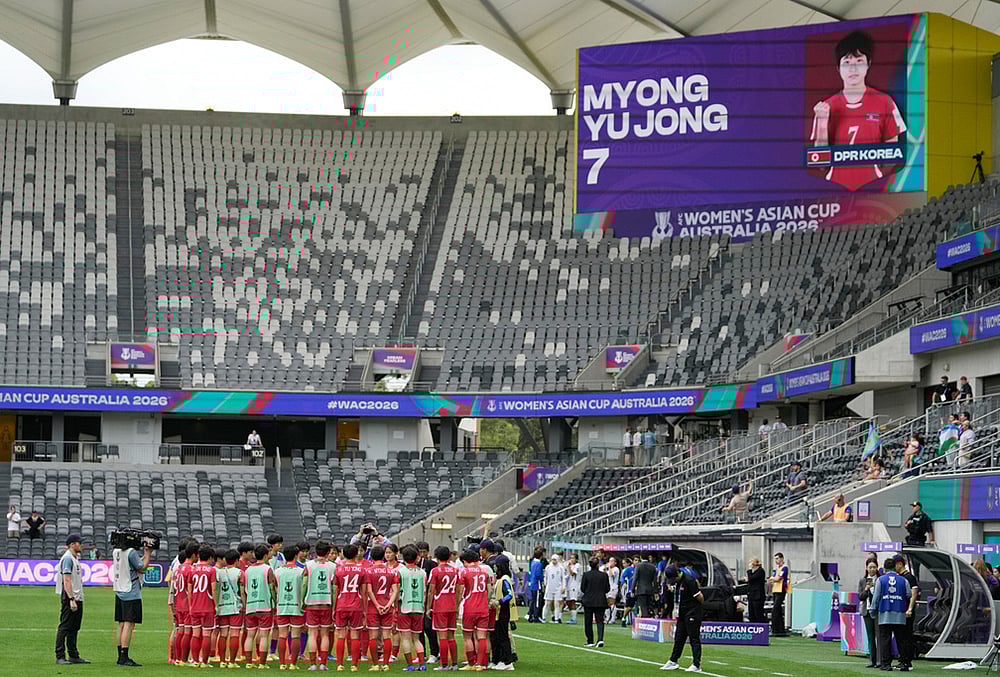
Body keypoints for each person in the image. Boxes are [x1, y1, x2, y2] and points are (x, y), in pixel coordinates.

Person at [810, 30, 905, 192]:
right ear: (838, 68)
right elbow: (820, 164)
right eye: (846, 62)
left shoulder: (885, 102)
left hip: (874, 189)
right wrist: (822, 123)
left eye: (859, 60)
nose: (853, 68)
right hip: (835, 190)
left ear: (868, 64)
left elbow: (892, 155)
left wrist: (878, 178)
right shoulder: (826, 106)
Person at [114, 537, 153, 667]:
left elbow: (133, 565)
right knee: (128, 624)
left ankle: (120, 655)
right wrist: (148, 553)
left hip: (120, 590)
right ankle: (124, 656)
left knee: (121, 624)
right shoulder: (131, 552)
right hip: (131, 591)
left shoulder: (116, 551)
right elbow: (142, 568)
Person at [658, 564, 704, 673]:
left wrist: (694, 609)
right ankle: (673, 661)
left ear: (678, 573)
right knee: (679, 637)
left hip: (692, 612)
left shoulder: (689, 581)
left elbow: (700, 597)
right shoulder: (677, 582)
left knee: (694, 638)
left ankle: (696, 664)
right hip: (682, 613)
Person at [870, 557, 911, 671]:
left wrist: (873, 611)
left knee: (885, 640)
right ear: (895, 567)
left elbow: (876, 597)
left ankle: (886, 664)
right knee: (901, 640)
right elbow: (908, 594)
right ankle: (904, 663)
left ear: (885, 568)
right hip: (899, 615)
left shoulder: (880, 580)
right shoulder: (903, 580)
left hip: (885, 614)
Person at [55, 533, 90, 665]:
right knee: (65, 626)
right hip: (70, 598)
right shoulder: (68, 559)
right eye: (79, 543)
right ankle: (60, 656)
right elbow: (67, 579)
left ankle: (73, 655)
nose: (81, 545)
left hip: (76, 597)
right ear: (72, 545)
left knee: (74, 627)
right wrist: (71, 599)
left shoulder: (74, 558)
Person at [457, 549, 493, 671]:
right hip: (483, 608)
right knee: (482, 636)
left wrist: (457, 605)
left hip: (470, 607)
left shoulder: (464, 572)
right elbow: (489, 589)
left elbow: (461, 591)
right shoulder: (485, 571)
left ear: (465, 561)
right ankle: (481, 664)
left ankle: (471, 663)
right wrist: (486, 602)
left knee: (468, 636)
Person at [243, 543, 277, 669]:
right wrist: (275, 601)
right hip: (264, 606)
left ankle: (248, 662)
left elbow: (245, 589)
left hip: (251, 606)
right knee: (264, 635)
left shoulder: (247, 570)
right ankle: (262, 663)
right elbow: (271, 588)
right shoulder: (267, 569)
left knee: (250, 635)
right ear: (265, 555)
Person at [426, 545, 459, 671]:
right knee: (451, 636)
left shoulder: (435, 571)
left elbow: (431, 591)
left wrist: (429, 607)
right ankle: (454, 664)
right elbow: (458, 590)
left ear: (436, 556)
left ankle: (444, 664)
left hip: (440, 605)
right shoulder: (455, 570)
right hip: (451, 605)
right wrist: (456, 605)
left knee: (443, 636)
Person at [186, 544, 218, 667]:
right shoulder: (212, 570)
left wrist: (190, 605)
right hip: (207, 607)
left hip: (194, 607)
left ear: (198, 556)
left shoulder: (192, 569)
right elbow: (213, 589)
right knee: (206, 635)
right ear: (210, 557)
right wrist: (215, 605)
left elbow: (189, 590)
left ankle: (194, 661)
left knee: (195, 634)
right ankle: (204, 662)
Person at [215, 549, 243, 669]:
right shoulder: (240, 572)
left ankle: (222, 661)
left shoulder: (219, 572)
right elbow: (242, 591)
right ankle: (232, 661)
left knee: (223, 634)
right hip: (235, 607)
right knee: (235, 633)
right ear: (237, 560)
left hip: (222, 606)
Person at [490, 557, 517, 671]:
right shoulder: (501, 579)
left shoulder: (505, 579)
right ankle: (500, 659)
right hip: (499, 612)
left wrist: (498, 602)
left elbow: (509, 595)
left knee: (503, 636)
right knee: (498, 636)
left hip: (503, 612)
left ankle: (507, 661)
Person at [893, 555, 919, 671]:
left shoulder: (910, 577)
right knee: (900, 635)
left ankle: (907, 661)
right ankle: (902, 659)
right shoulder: (900, 577)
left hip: (907, 611)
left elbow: (914, 593)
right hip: (901, 611)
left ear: (900, 564)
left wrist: (910, 608)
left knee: (906, 635)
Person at [580, 557, 610, 648]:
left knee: (588, 621)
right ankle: (600, 639)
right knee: (600, 620)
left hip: (588, 600)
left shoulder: (586, 575)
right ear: (598, 565)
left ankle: (590, 640)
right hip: (600, 600)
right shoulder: (604, 575)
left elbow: (582, 588)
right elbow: (607, 588)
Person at [857, 559, 880, 668]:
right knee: (870, 637)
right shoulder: (863, 581)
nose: (872, 569)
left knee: (879, 636)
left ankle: (880, 660)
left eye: (874, 567)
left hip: (877, 611)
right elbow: (860, 597)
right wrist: (866, 589)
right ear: (866, 568)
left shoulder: (880, 580)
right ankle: (872, 660)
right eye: (870, 567)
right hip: (867, 611)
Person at [769, 553, 790, 637]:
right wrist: (773, 579)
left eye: (777, 558)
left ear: (782, 558)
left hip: (781, 590)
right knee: (777, 610)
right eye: (775, 559)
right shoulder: (778, 569)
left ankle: (775, 629)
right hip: (776, 590)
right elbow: (773, 578)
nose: (776, 561)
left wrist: (773, 579)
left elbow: (777, 579)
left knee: (775, 610)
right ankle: (780, 630)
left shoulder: (785, 568)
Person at [542, 554, 566, 624]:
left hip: (558, 588)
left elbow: (563, 578)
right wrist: (546, 585)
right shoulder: (548, 567)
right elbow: (545, 577)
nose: (553, 561)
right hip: (549, 587)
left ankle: (556, 618)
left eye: (555, 560)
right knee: (547, 603)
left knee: (557, 604)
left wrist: (563, 587)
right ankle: (544, 617)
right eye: (552, 559)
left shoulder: (561, 568)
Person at [634, 554, 659, 618]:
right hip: (650, 590)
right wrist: (656, 591)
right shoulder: (653, 566)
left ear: (640, 557)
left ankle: (645, 621)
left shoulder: (638, 566)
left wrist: (632, 589)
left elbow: (635, 578)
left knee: (643, 607)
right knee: (649, 607)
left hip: (641, 590)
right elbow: (655, 580)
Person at [743, 558, 766, 623]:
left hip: (758, 595)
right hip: (751, 595)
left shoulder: (760, 571)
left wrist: (749, 571)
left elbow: (750, 578)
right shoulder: (754, 572)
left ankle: (761, 627)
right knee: (751, 614)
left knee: (758, 613)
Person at [526, 548, 544, 623]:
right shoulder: (538, 564)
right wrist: (542, 579)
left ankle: (530, 615)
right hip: (536, 584)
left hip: (532, 583)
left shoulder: (533, 562)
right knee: (536, 601)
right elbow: (538, 574)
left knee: (532, 600)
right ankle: (535, 616)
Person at [565, 554, 581, 624]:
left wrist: (568, 567)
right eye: (571, 558)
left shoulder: (577, 566)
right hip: (568, 585)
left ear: (576, 559)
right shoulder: (571, 566)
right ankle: (572, 616)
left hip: (574, 586)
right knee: (568, 602)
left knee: (572, 601)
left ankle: (574, 619)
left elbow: (572, 574)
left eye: (573, 558)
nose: (571, 560)